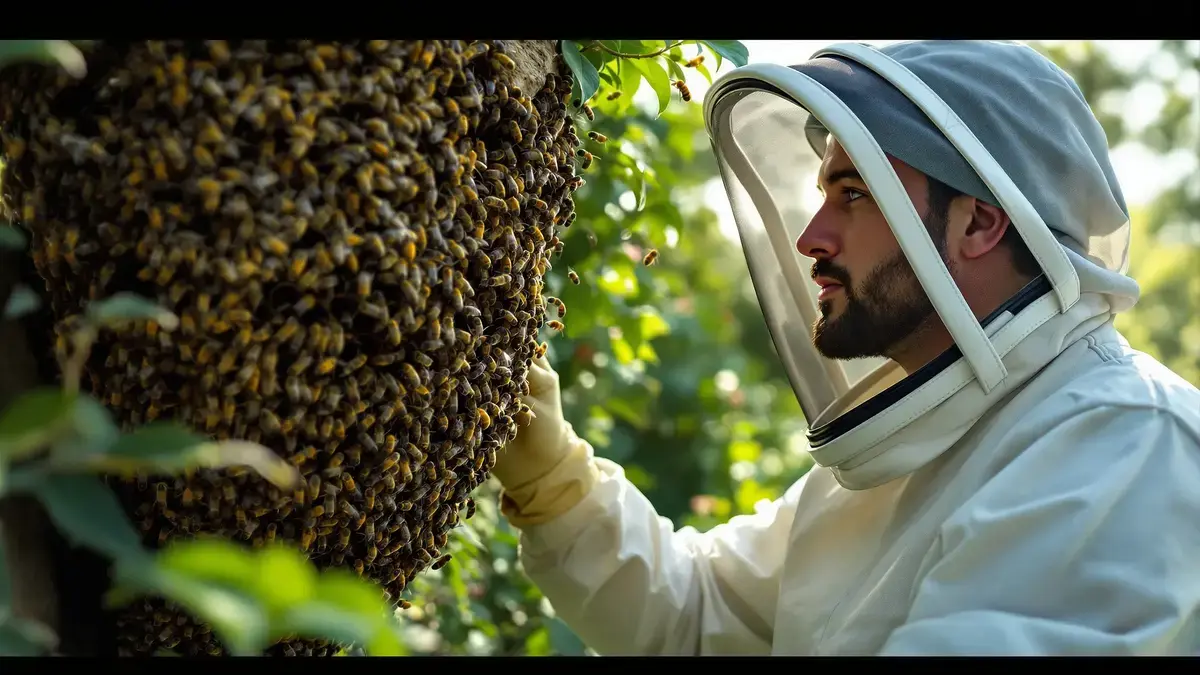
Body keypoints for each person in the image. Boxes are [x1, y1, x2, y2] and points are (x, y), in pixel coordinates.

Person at [490, 40, 1200, 656]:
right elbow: (699, 617)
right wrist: (554, 478)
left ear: (978, 224)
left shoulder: (1122, 441)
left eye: (854, 193)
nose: (811, 238)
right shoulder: (909, 442)